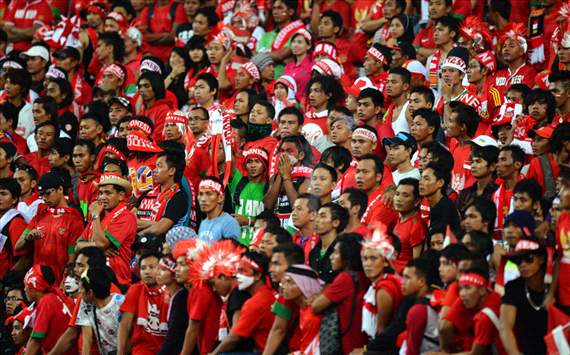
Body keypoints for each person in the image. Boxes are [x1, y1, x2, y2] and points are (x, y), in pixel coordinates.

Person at [15, 171, 84, 284]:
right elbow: (18, 245)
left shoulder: (74, 219)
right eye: (41, 195)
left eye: (47, 193)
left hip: (59, 281)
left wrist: (65, 279)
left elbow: (72, 255)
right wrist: (28, 237)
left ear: (60, 189)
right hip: (37, 280)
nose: (44, 198)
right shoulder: (39, 216)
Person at [312, 234, 369, 354]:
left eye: (336, 253)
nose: (331, 257)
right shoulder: (361, 275)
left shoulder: (345, 278)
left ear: (347, 257)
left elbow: (316, 306)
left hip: (348, 345)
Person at [75, 173, 136, 286]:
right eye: (101, 193)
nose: (102, 197)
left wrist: (95, 216)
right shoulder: (98, 214)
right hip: (91, 278)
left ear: (121, 195)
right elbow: (78, 246)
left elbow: (101, 243)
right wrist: (98, 247)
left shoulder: (126, 216)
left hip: (117, 281)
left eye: (108, 193)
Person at [211, 251, 275, 354]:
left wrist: (213, 354)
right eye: (237, 271)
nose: (237, 275)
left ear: (258, 275)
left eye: (242, 271)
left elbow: (234, 338)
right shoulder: (266, 294)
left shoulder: (256, 302)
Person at [500, 238, 549, 355]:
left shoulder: (555, 287)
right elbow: (505, 326)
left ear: (541, 259)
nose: (523, 264)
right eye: (518, 260)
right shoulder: (513, 287)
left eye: (529, 259)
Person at [118, 251, 169, 355]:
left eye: (151, 267)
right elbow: (125, 325)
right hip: (143, 348)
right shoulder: (135, 289)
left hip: (169, 347)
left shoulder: (171, 290)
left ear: (162, 269)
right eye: (143, 268)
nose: (147, 272)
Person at [134, 147, 189, 237]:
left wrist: (136, 238)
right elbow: (130, 219)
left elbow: (159, 229)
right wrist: (154, 223)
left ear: (171, 171)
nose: (154, 170)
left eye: (159, 166)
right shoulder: (147, 193)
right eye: (155, 166)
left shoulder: (179, 198)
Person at [22, 265, 74, 354]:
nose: (24, 289)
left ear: (35, 287)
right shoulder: (55, 296)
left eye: (27, 286)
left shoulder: (46, 302)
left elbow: (35, 340)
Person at [75, 266, 125, 355]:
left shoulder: (121, 303)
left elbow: (129, 336)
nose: (79, 291)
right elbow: (87, 340)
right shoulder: (86, 305)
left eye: (81, 288)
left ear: (90, 293)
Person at [361, 234, 403, 338]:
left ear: (385, 262)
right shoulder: (379, 284)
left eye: (373, 258)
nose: (367, 264)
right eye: (365, 259)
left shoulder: (384, 289)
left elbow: (382, 331)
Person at [279, 264, 324, 353]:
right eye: (284, 282)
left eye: (290, 282)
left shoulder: (312, 314)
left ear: (304, 284)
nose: (283, 286)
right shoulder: (303, 309)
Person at [229, 147, 269, 245]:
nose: (253, 165)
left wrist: (248, 221)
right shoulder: (239, 182)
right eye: (249, 162)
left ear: (264, 165)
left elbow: (271, 222)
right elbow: (229, 160)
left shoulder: (269, 188)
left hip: (258, 246)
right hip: (236, 244)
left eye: (257, 161)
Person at [392, 178, 426, 273]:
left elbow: (416, 262)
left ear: (416, 201)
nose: (398, 199)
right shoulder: (399, 219)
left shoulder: (417, 225)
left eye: (405, 195)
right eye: (397, 194)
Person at [419, 162, 461, 236]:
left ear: (440, 183)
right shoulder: (437, 205)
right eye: (421, 178)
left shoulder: (444, 208)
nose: (420, 182)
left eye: (426, 179)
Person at [197, 176, 241, 242]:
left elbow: (232, 251)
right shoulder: (203, 223)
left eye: (209, 194)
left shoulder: (229, 223)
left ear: (220, 198)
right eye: (200, 194)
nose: (203, 199)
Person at [0, 178, 28, 279]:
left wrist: (7, 281)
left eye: (3, 194)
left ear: (14, 199)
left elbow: (25, 258)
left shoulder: (16, 223)